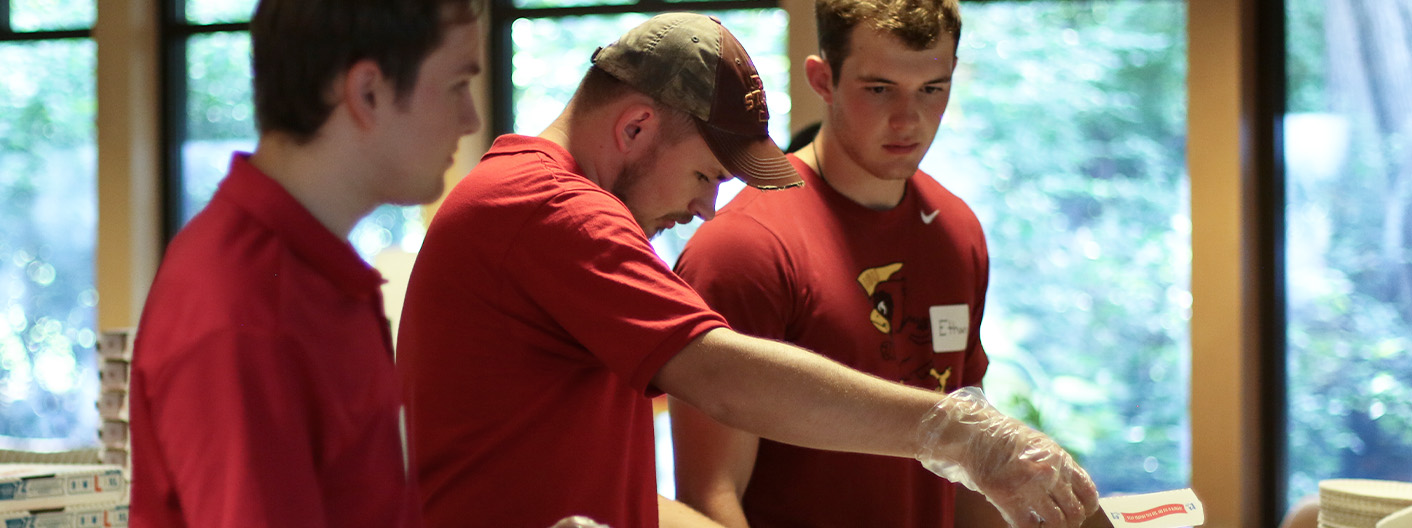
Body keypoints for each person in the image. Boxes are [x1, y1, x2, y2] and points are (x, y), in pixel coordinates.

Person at [397, 12, 1098, 528]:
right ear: (635, 128)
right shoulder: (552, 208)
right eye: (705, 174)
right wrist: (956, 432)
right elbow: (723, 378)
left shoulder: (540, 204)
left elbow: (615, 497)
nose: (706, 208)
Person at [126, 1, 484, 526]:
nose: (470, 118)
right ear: (368, 93)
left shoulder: (317, 274)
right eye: (457, 86)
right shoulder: (245, 311)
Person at [667, 1, 1013, 526]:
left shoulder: (956, 230)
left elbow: (966, 462)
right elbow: (711, 497)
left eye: (931, 89)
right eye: (879, 89)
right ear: (822, 80)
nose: (908, 118)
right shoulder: (742, 248)